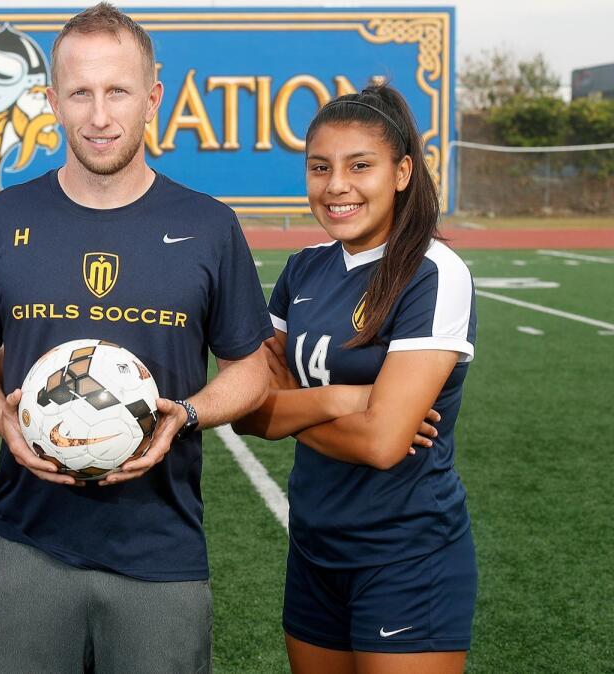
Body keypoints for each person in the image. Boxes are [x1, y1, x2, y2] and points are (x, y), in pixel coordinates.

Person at [0, 3, 273, 672]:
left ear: (153, 96)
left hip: (162, 549)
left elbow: (252, 368)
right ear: (52, 100)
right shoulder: (3, 219)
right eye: (80, 92)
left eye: (118, 90)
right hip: (25, 543)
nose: (99, 115)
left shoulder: (209, 226)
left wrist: (186, 414)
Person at [232, 82, 478, 673]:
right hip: (315, 548)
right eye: (320, 168)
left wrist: (291, 404)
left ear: (401, 173)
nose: (336, 185)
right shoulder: (303, 267)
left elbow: (381, 443)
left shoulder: (432, 272)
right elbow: (246, 410)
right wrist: (345, 398)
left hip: (406, 554)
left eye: (359, 166)